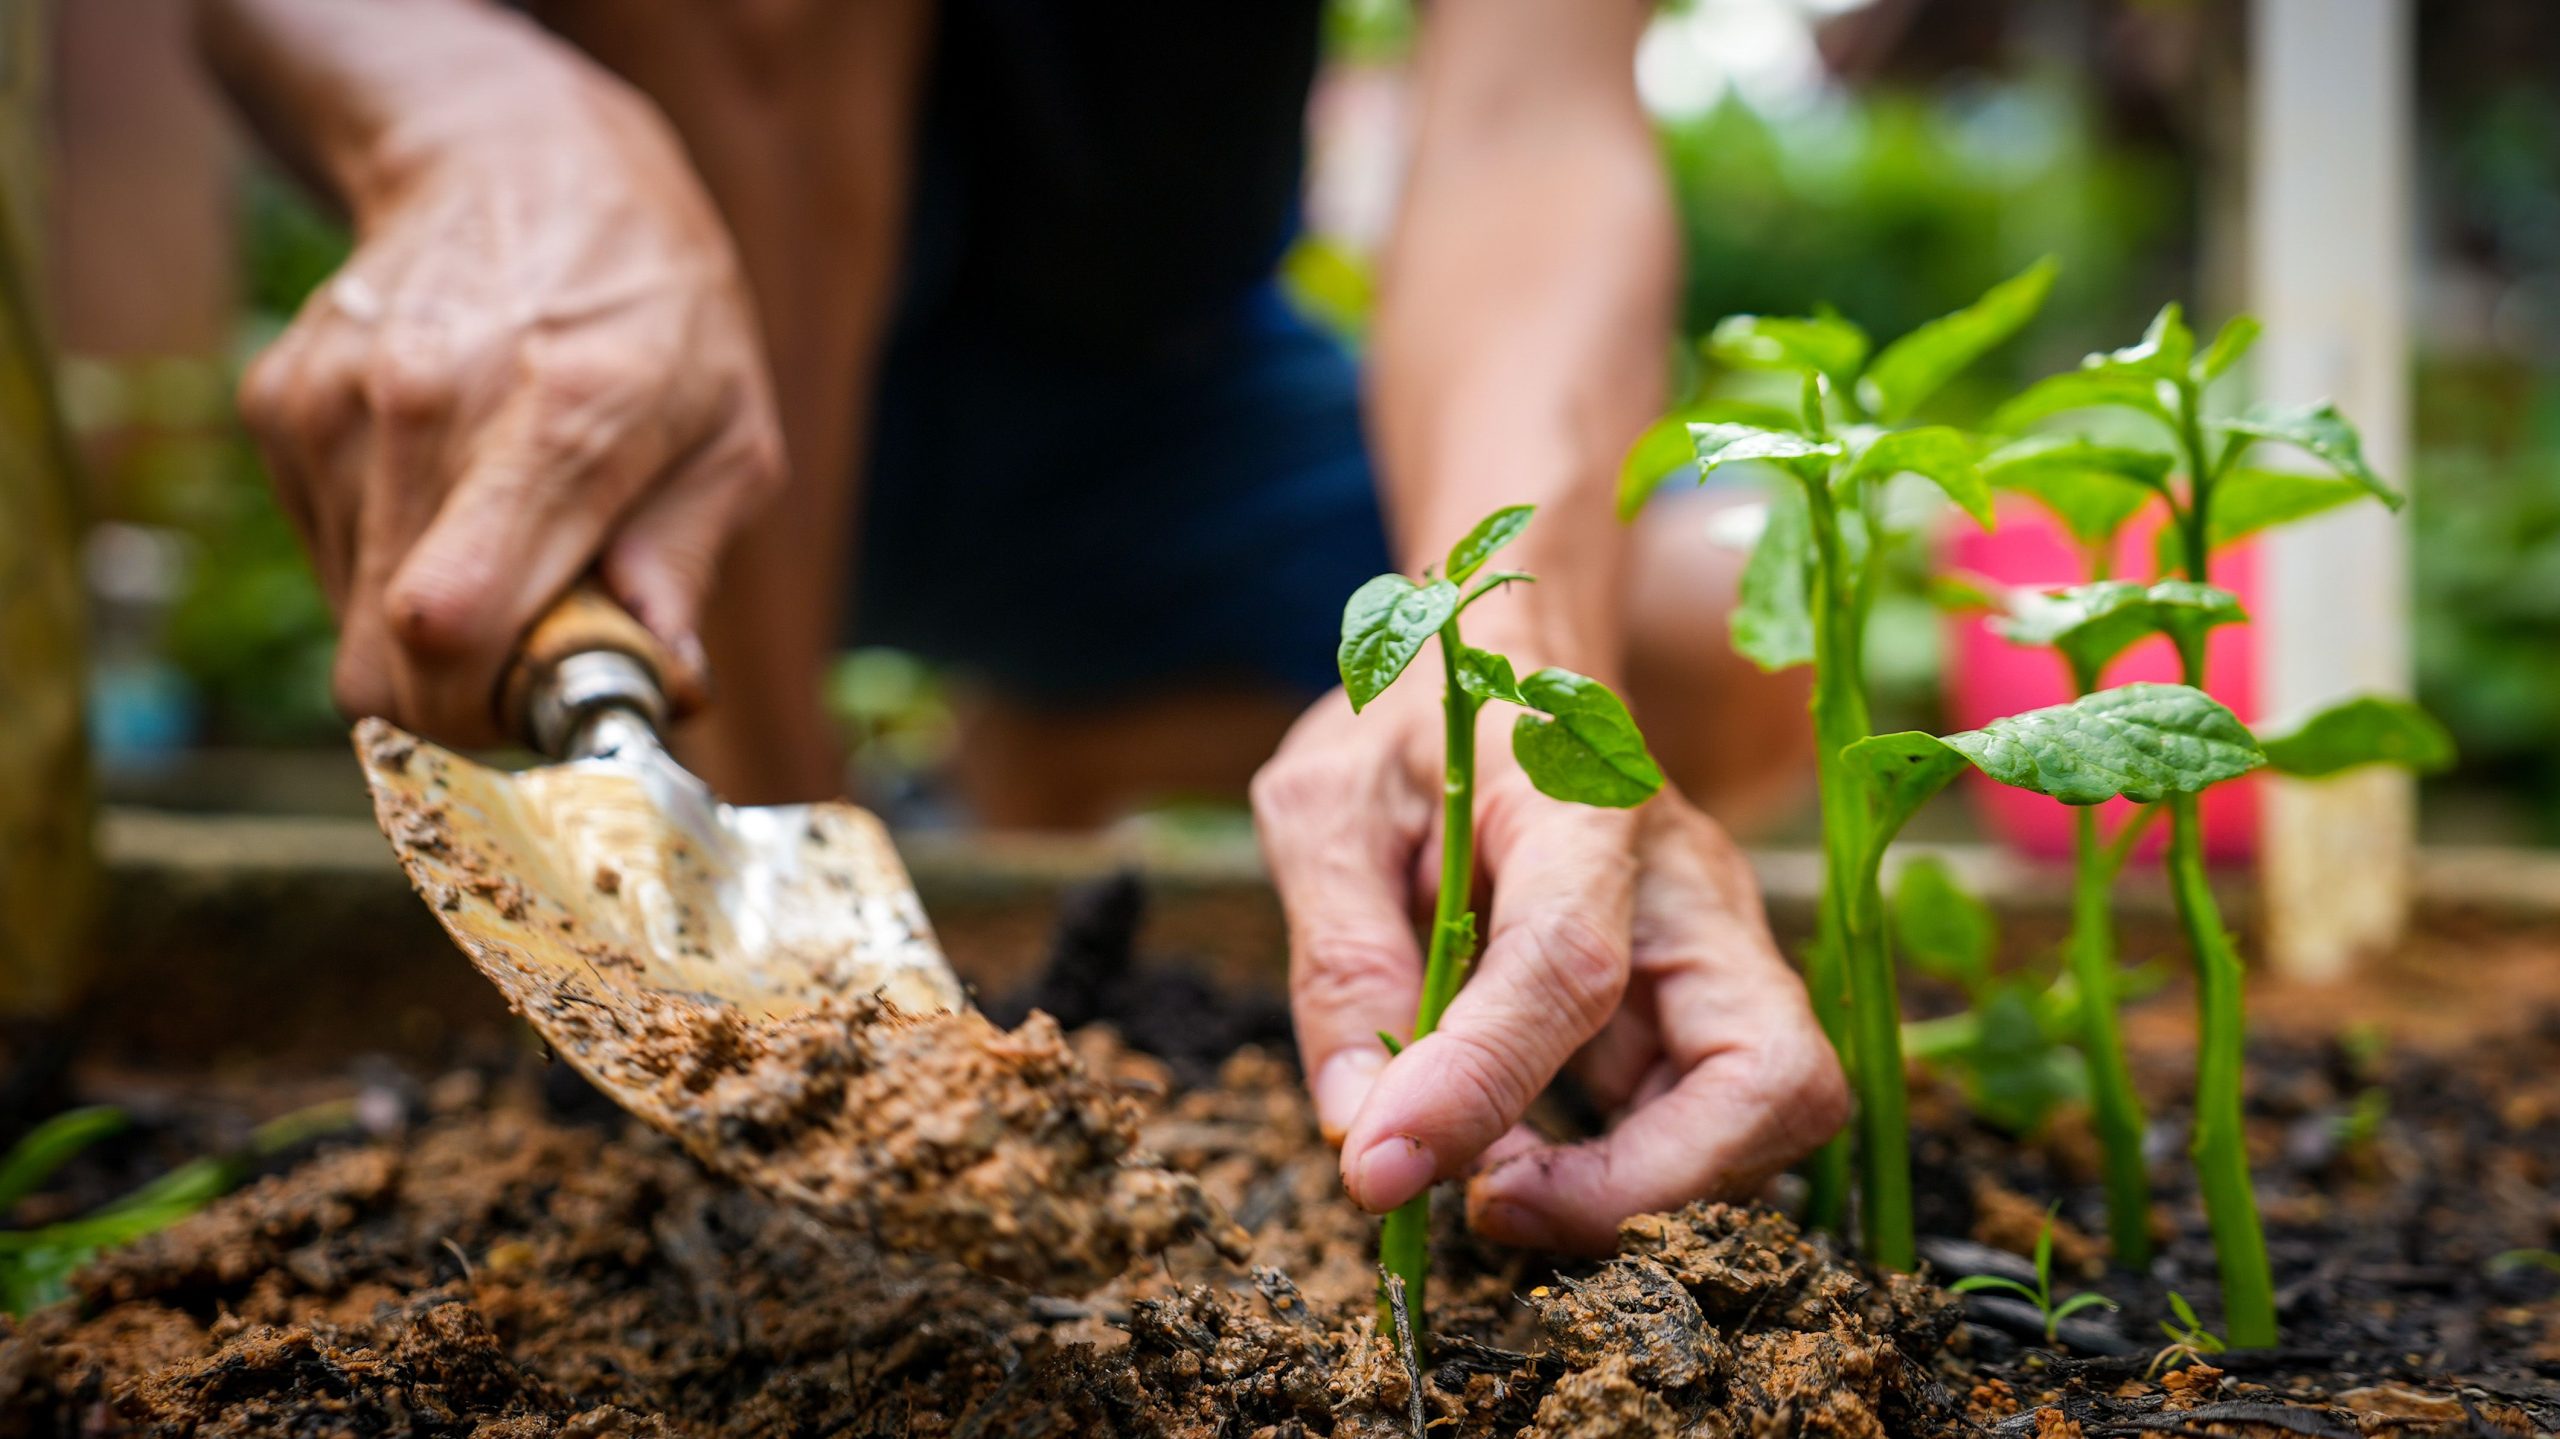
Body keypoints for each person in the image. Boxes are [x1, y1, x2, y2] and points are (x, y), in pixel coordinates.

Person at [198, 0, 1846, 1254]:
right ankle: (781, 995)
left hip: (1140, 411)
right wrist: (476, 122)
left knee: (1714, 638)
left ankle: (1042, 762)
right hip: (655, 374)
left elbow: (1530, 125)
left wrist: (1503, 654)